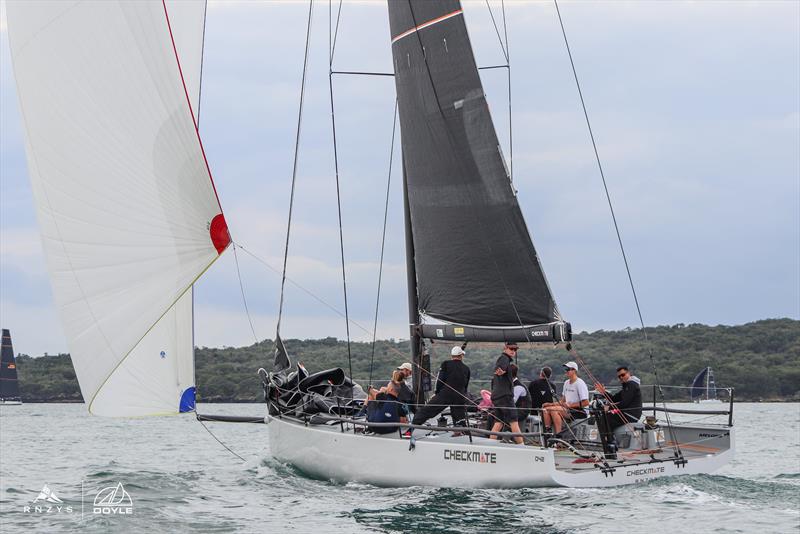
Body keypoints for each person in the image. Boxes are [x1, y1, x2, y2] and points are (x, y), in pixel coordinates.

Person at [411, 346, 471, 430]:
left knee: (425, 411)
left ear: (452, 356)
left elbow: (439, 380)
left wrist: (437, 393)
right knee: (460, 420)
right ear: (461, 356)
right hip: (459, 395)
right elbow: (465, 385)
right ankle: (462, 433)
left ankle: (412, 428)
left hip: (445, 394)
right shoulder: (466, 368)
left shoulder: (446, 364)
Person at [542, 361, 589, 436]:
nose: (566, 371)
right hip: (567, 409)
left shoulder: (580, 383)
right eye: (566, 369)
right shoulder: (566, 383)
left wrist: (571, 405)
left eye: (568, 369)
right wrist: (550, 404)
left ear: (574, 370)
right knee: (545, 409)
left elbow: (586, 403)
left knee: (554, 411)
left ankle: (558, 436)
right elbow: (563, 401)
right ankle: (548, 432)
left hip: (579, 411)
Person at [489, 342, 523, 444]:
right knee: (514, 421)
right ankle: (522, 446)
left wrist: (500, 370)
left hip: (497, 396)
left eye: (515, 349)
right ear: (505, 348)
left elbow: (498, 369)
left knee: (498, 423)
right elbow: (500, 368)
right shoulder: (504, 358)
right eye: (511, 349)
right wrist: (501, 370)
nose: (513, 351)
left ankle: (490, 445)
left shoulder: (504, 359)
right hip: (505, 397)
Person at [594, 366, 643, 430]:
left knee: (605, 418)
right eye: (619, 376)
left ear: (628, 373)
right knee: (606, 416)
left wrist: (609, 407)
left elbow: (624, 403)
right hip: (627, 414)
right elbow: (613, 399)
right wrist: (603, 392)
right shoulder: (626, 387)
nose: (621, 377)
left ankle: (608, 439)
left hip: (630, 415)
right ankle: (609, 438)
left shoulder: (631, 385)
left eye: (623, 375)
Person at [528, 366, 557, 430]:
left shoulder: (533, 384)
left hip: (534, 411)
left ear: (541, 373)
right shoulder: (553, 386)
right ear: (550, 375)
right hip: (548, 411)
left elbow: (528, 397)